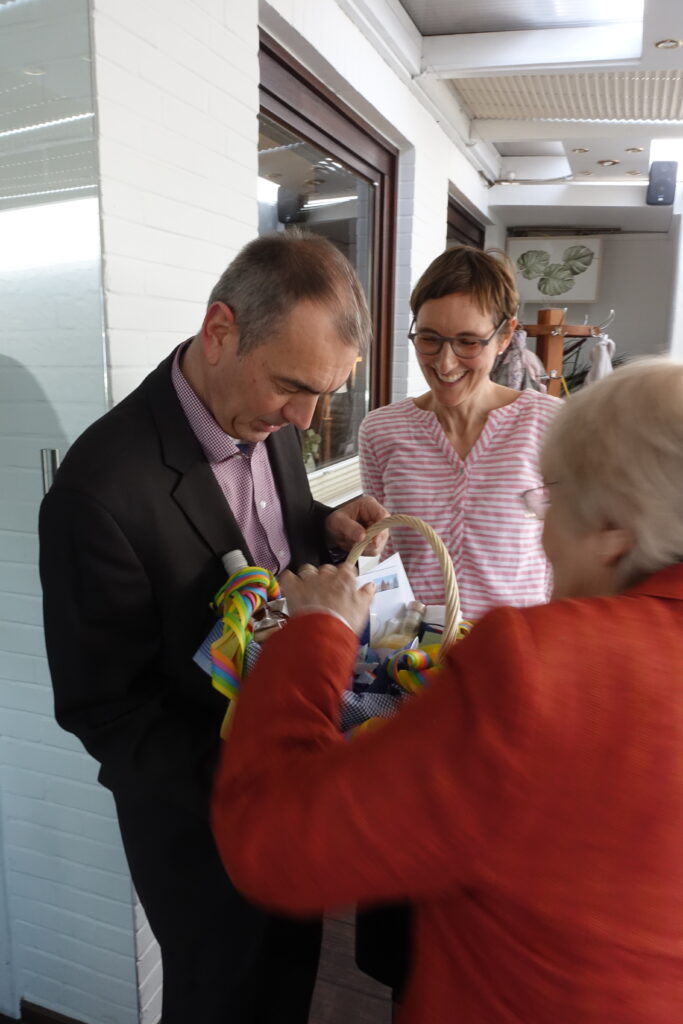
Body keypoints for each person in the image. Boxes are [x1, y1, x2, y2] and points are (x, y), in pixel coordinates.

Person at [212, 358, 683, 1024]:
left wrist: (316, 634)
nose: (543, 534)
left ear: (614, 530)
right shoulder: (387, 428)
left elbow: (274, 841)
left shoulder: (540, 668)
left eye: (550, 504)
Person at [38, 230, 387, 1024]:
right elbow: (106, 714)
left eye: (324, 394)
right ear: (219, 330)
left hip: (293, 781)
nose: (305, 418)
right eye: (292, 387)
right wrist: (259, 785)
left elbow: (259, 529)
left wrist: (323, 523)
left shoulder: (268, 417)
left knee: (288, 982)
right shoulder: (98, 493)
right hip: (205, 824)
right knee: (223, 999)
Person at [359, 244, 562, 619]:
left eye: (468, 342)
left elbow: (569, 551)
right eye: (429, 338)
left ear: (504, 336)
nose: (445, 362)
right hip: (411, 647)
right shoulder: (382, 430)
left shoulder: (549, 423)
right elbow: (381, 545)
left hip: (516, 643)